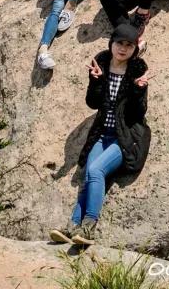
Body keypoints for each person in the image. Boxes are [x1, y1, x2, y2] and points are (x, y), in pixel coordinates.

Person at [49, 23, 151, 246]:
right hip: (102, 134)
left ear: (135, 49)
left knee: (95, 170)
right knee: (87, 175)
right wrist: (95, 81)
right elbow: (92, 103)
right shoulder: (101, 64)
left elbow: (138, 113)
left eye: (129, 45)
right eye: (119, 43)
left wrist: (138, 90)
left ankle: (88, 228)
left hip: (125, 138)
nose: (123, 49)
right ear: (111, 43)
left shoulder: (137, 71)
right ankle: (73, 226)